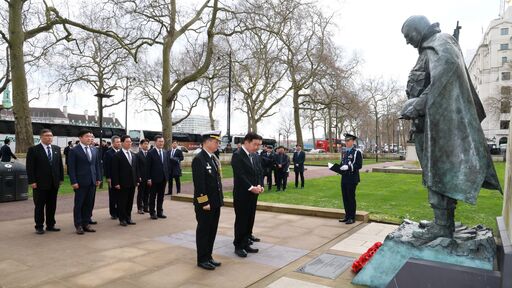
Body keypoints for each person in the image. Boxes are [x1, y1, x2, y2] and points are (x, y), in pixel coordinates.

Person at [400, 15, 501, 240]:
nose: (407, 41)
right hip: (428, 124)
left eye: (408, 36)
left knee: (438, 173)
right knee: (434, 174)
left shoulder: (440, 43)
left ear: (419, 29)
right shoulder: (431, 48)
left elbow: (444, 81)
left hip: (437, 126)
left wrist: (417, 104)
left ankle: (443, 226)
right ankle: (443, 222)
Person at [192, 130, 224, 270]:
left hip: (215, 203)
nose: (218, 144)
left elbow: (216, 182)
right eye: (216, 142)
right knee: (204, 231)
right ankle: (202, 259)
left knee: (212, 231)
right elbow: (199, 184)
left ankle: (208, 256)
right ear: (208, 142)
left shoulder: (212, 158)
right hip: (205, 204)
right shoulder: (199, 159)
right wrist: (204, 202)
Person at [231, 132, 264, 258]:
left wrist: (260, 185)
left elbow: (259, 172)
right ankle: (238, 245)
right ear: (246, 142)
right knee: (241, 220)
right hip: (242, 194)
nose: (257, 147)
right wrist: (251, 187)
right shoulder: (237, 155)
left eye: (259, 145)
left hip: (254, 193)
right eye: (255, 144)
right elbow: (240, 175)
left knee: (250, 218)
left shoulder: (255, 156)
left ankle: (246, 243)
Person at [26, 129, 64, 234]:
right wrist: (32, 181)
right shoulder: (33, 150)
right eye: (47, 135)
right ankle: (39, 226)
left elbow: (59, 165)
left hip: (54, 183)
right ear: (41, 137)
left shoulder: (56, 149)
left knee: (52, 205)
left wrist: (61, 178)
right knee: (39, 206)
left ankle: (51, 225)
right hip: (40, 183)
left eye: (51, 135)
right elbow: (30, 167)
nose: (49, 137)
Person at [68, 129, 102, 235]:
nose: (90, 138)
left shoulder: (94, 150)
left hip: (92, 181)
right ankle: (78, 225)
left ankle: (86, 223)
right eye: (87, 136)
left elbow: (97, 165)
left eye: (91, 137)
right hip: (80, 182)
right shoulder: (74, 151)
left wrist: (98, 178)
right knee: (79, 204)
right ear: (81, 138)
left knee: (89, 204)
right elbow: (71, 168)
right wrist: (74, 181)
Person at [111, 135, 139, 227]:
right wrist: (116, 183)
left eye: (130, 142)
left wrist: (137, 180)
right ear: (122, 143)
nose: (129, 143)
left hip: (132, 182)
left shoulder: (133, 155)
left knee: (130, 201)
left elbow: (135, 169)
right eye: (127, 141)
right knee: (122, 202)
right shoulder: (117, 155)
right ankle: (122, 219)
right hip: (122, 183)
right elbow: (114, 171)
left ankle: (128, 217)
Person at [337, 134, 363, 225]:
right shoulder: (345, 152)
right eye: (346, 141)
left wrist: (348, 167)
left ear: (353, 141)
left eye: (348, 141)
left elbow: (359, 165)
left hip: (352, 178)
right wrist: (338, 168)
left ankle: (352, 217)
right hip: (344, 178)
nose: (347, 142)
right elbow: (342, 164)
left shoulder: (357, 152)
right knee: (345, 198)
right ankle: (347, 216)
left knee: (351, 198)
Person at [147, 135, 169, 219]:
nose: (161, 143)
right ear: (155, 142)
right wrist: (149, 178)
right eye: (159, 141)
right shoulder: (150, 153)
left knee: (161, 196)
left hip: (163, 178)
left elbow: (166, 165)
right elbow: (148, 167)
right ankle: (152, 212)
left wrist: (167, 176)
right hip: (154, 179)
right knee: (152, 196)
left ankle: (160, 212)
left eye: (162, 141)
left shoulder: (165, 152)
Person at [103, 136, 122, 220]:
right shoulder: (108, 153)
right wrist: (108, 177)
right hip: (112, 178)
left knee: (120, 196)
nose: (119, 143)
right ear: (113, 143)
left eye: (119, 142)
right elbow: (106, 166)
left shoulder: (122, 152)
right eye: (117, 142)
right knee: (113, 196)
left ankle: (119, 211)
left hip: (121, 178)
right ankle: (113, 213)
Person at [136, 138, 150, 214]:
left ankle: (146, 207)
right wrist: (138, 177)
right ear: (141, 145)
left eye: (147, 144)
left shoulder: (150, 154)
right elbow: (137, 167)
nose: (146, 145)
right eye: (145, 144)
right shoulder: (137, 155)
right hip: (141, 177)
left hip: (148, 178)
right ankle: (139, 208)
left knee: (147, 193)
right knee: (140, 193)